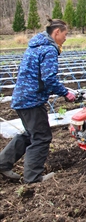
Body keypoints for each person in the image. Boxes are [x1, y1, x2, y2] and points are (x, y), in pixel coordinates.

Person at [0, 19, 75, 183]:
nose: (65, 38)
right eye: (65, 34)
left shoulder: (34, 46)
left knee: (30, 134)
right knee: (41, 137)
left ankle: (3, 164)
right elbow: (48, 79)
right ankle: (33, 177)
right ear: (56, 32)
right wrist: (65, 93)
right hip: (32, 101)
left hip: (21, 97)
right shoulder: (49, 50)